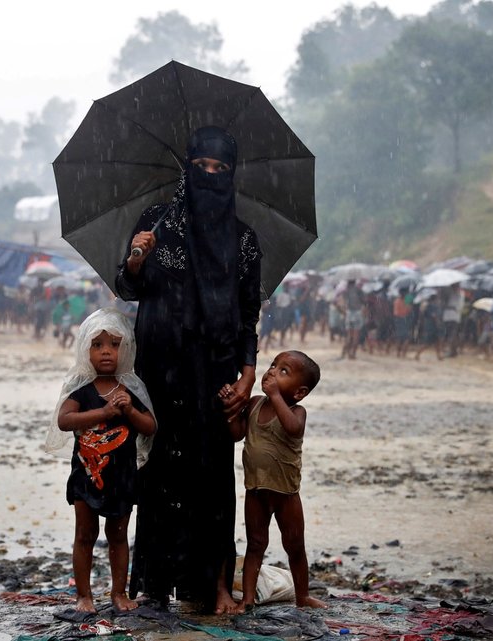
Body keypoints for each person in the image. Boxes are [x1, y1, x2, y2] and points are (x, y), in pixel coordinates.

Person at [116, 126, 261, 613]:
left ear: (232, 175)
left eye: (221, 170)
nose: (210, 176)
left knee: (212, 474)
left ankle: (216, 584)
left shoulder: (243, 242)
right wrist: (138, 258)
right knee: (158, 471)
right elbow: (128, 288)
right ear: (188, 169)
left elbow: (248, 315)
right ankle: (154, 582)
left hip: (214, 372)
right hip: (159, 369)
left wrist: (247, 374)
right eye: (202, 167)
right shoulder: (156, 222)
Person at [45, 308, 157, 613]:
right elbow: (65, 420)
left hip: (122, 477)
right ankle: (84, 595)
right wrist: (103, 413)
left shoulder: (132, 389)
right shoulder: (81, 387)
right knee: (85, 534)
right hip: (86, 476)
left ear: (127, 349)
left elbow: (150, 427)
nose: (106, 352)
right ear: (85, 350)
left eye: (114, 344)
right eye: (97, 345)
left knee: (118, 536)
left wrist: (130, 412)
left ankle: (118, 593)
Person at [226, 350, 327, 612]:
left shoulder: (297, 411)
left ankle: (302, 596)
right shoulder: (255, 403)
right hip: (256, 490)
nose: (272, 371)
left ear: (299, 392)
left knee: (295, 545)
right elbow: (237, 435)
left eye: (283, 371)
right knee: (255, 544)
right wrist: (231, 412)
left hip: (286, 494)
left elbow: (293, 428)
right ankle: (247, 599)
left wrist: (274, 396)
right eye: (273, 365)